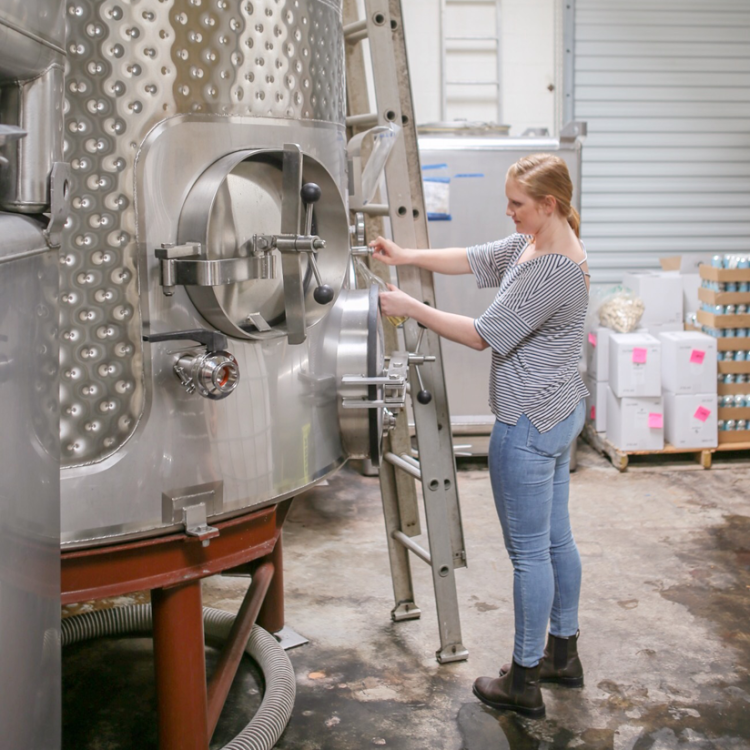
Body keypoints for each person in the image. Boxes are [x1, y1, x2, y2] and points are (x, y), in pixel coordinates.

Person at [370, 153, 589, 720]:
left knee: (529, 554)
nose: (509, 212)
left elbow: (483, 335)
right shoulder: (533, 242)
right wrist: (406, 254)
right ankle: (563, 653)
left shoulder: (554, 268)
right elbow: (471, 258)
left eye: (517, 204)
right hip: (559, 411)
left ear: (549, 204)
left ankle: (524, 679)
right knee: (556, 540)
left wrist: (407, 306)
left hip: (528, 421)